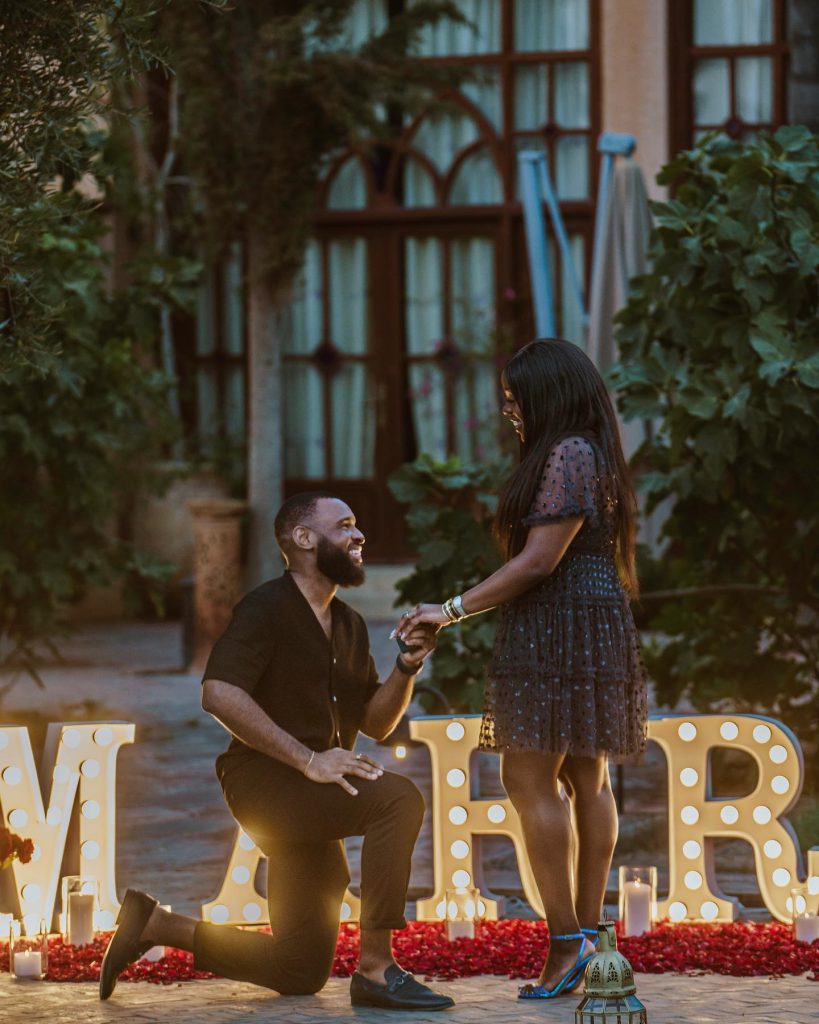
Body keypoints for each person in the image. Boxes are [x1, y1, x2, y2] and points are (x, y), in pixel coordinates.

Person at [100, 491, 454, 1012]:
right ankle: (378, 969)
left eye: (358, 526)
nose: (359, 536)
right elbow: (218, 691)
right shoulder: (266, 608)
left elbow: (376, 723)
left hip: (311, 797)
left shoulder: (350, 624)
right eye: (346, 526)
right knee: (396, 799)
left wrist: (407, 666)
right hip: (266, 786)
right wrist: (310, 760)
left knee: (299, 971)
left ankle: (155, 923)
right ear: (304, 539)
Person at [395, 339, 647, 1000]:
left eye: (515, 397)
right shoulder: (594, 451)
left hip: (558, 618)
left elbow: (538, 561)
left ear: (548, 395)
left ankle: (566, 941)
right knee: (584, 772)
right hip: (591, 615)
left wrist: (447, 610)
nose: (508, 409)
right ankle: (587, 935)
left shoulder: (566, 452)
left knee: (528, 773)